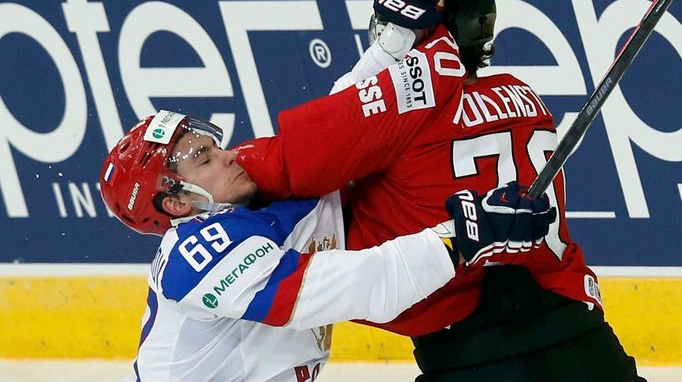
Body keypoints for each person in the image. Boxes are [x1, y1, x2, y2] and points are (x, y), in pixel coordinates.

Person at [233, 0, 646, 382]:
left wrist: (208, 164)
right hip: (583, 339)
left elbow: (290, 165)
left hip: (472, 357)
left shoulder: (410, 100)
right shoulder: (526, 97)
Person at [99, 109, 555, 382]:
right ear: (177, 203)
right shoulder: (191, 255)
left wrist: (394, 38)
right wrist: (458, 237)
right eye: (206, 160)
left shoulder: (266, 210)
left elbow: (347, 122)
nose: (231, 154)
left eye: (215, 147)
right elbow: (356, 285)